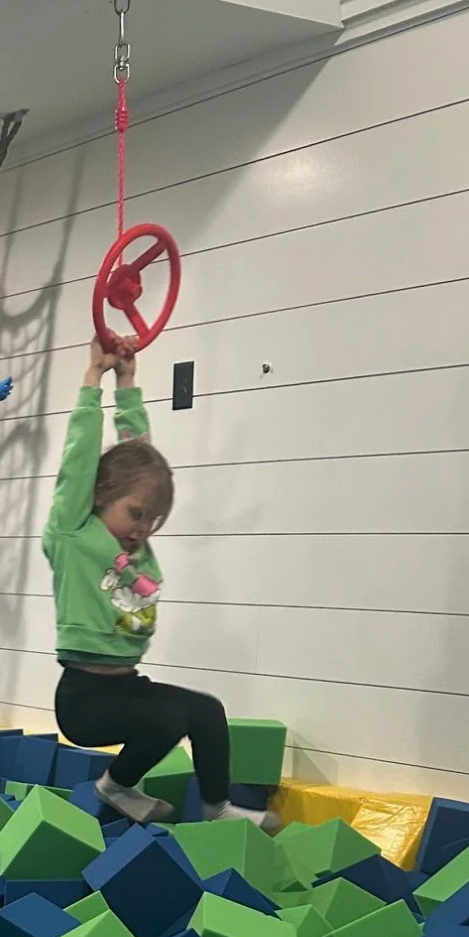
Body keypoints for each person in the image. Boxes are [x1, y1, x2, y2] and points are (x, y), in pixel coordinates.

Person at [44, 337, 277, 829]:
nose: (142, 528)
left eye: (151, 519)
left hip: (126, 686)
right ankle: (117, 786)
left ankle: (215, 809)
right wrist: (94, 379)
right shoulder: (75, 533)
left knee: (206, 711)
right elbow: (78, 461)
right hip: (85, 700)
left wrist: (128, 381)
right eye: (135, 514)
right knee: (169, 719)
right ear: (99, 493)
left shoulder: (135, 547)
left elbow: (140, 458)